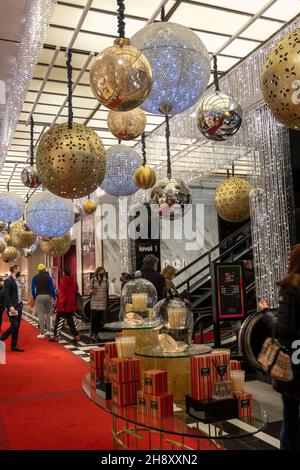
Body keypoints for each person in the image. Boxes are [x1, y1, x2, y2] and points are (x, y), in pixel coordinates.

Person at [259, 244, 300, 450]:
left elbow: (284, 328)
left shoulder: (290, 287)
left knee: (291, 416)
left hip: (293, 360)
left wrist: (266, 314)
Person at [49, 267, 80, 344]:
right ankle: (77, 336)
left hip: (64, 305)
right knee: (72, 321)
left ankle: (56, 336)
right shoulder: (74, 280)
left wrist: (61, 305)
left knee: (59, 321)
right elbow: (76, 290)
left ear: (63, 273)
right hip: (71, 304)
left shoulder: (63, 281)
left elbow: (62, 294)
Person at [0, 265, 24, 352]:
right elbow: (6, 295)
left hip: (19, 305)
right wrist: (10, 306)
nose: (19, 270)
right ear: (14, 270)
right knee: (14, 325)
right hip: (13, 307)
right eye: (18, 268)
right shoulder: (8, 281)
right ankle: (1, 339)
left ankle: (14, 345)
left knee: (17, 327)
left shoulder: (17, 280)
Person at [31, 264, 56, 339]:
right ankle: (48, 330)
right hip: (48, 296)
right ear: (45, 269)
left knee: (41, 314)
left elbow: (32, 289)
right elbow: (52, 288)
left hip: (39, 296)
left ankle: (42, 333)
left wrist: (35, 297)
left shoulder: (34, 278)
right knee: (48, 313)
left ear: (38, 270)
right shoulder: (49, 277)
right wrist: (54, 297)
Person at [89, 266, 108, 341]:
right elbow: (89, 290)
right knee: (94, 318)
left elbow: (107, 290)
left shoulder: (106, 281)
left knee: (99, 320)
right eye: (100, 273)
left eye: (102, 273)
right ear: (97, 273)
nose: (101, 275)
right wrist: (92, 291)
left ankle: (96, 334)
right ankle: (92, 332)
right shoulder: (93, 280)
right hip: (94, 301)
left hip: (102, 301)